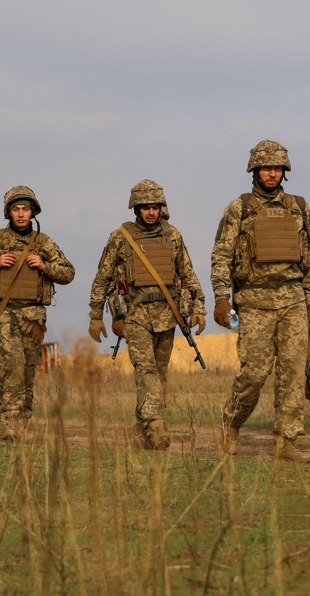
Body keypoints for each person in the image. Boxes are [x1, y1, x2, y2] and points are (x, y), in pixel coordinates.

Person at [210, 140, 310, 462]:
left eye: (277, 168)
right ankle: (232, 424)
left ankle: (287, 441)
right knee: (254, 374)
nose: (272, 174)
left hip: (292, 299)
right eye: (266, 168)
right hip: (253, 301)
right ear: (255, 171)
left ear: (284, 171)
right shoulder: (239, 208)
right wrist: (222, 298)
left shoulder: (299, 207)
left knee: (292, 372)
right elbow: (221, 256)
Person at [88, 179, 205, 450]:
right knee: (146, 369)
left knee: (159, 373)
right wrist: (96, 316)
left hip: (168, 314)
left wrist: (199, 309)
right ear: (136, 209)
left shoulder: (172, 235)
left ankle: (141, 434)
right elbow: (102, 277)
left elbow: (187, 273)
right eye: (145, 208)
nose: (151, 212)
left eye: (155, 207)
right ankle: (156, 425)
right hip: (135, 315)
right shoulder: (120, 237)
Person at [0, 186, 74, 440]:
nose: (21, 214)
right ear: (9, 213)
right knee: (7, 367)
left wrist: (45, 266)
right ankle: (6, 423)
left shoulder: (44, 242)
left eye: (25, 209)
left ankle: (19, 424)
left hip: (33, 319)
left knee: (26, 373)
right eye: (16, 209)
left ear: (32, 211)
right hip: (3, 313)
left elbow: (68, 273)